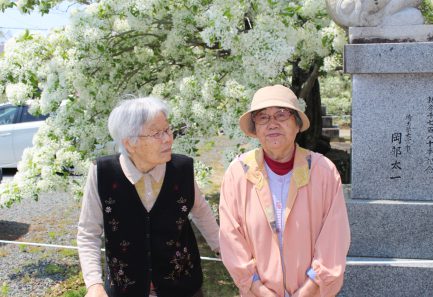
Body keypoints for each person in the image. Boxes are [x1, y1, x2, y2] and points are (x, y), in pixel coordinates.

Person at [77, 96, 220, 297]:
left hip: (183, 287)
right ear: (130, 143)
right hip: (125, 289)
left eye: (168, 130)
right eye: (156, 133)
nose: (168, 138)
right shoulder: (103, 173)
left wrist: (225, 251)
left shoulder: (182, 169)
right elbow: (88, 232)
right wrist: (94, 284)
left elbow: (202, 213)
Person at [219, 85, 350, 297]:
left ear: (297, 124)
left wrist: (307, 291)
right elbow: (231, 239)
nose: (272, 124)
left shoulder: (322, 171)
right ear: (255, 128)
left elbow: (334, 239)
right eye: (263, 117)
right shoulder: (238, 173)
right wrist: (259, 290)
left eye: (281, 114)